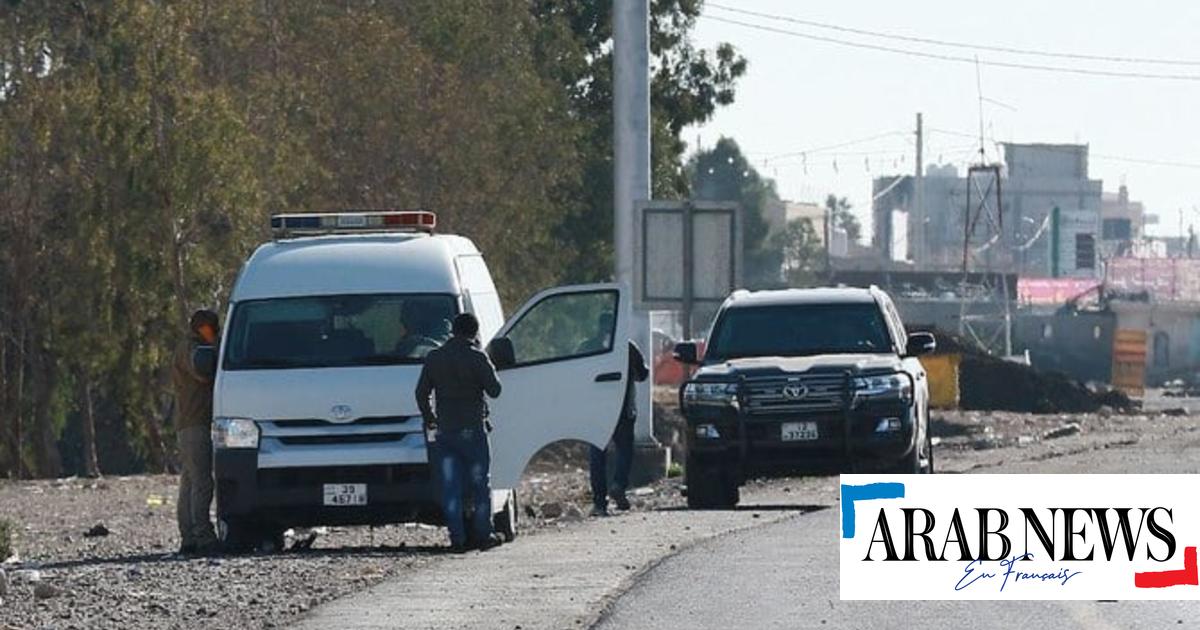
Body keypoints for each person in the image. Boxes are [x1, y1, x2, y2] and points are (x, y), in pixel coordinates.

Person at [415, 313, 503, 552]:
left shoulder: (434, 358)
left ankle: (458, 538)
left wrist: (430, 418)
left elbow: (421, 393)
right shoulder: (477, 357)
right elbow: (495, 390)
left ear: (453, 330)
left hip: (446, 431)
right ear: (474, 332)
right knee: (479, 484)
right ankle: (484, 534)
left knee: (450, 486)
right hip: (473, 429)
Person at [172, 309, 221, 556]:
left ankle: (189, 537)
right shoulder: (193, 349)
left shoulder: (189, 345)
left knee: (190, 482)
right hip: (195, 424)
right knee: (202, 482)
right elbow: (202, 370)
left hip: (190, 423)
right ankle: (203, 536)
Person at [589, 340, 649, 517]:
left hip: (596, 410)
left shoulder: (589, 346)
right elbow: (643, 374)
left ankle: (599, 502)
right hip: (623, 409)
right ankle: (618, 485)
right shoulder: (628, 346)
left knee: (597, 453)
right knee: (624, 449)